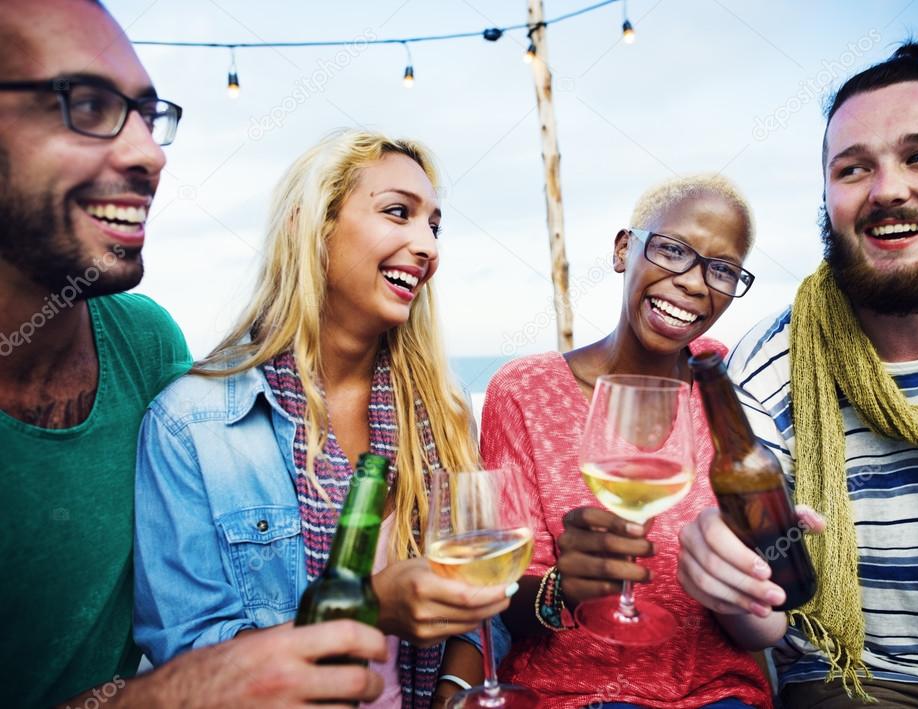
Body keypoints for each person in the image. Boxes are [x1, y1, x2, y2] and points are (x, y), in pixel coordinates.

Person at [0, 1, 389, 707]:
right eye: (85, 103)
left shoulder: (145, 342)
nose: (150, 152)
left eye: (149, 116)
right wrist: (165, 695)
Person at [678, 42, 918, 708]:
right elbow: (765, 618)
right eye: (853, 168)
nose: (887, 188)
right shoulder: (763, 370)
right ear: (827, 197)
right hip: (853, 684)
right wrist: (728, 577)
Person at [132, 128, 512, 709]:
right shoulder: (192, 423)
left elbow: (479, 609)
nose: (428, 246)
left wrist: (455, 692)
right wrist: (370, 608)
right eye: (397, 213)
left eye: (433, 226)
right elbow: (193, 661)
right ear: (310, 225)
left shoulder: (444, 413)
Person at [461, 175, 777, 708]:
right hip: (572, 694)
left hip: (719, 693)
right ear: (623, 249)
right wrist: (564, 586)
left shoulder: (721, 384)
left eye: (721, 269)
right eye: (673, 250)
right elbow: (500, 594)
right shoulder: (524, 391)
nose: (695, 283)